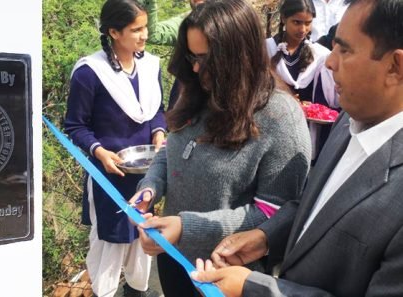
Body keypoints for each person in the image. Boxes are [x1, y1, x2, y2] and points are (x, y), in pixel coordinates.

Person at [192, 1, 403, 296]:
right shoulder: (348, 122)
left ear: (395, 66)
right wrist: (266, 237)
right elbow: (317, 205)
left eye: (344, 50)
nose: (329, 63)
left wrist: (253, 289)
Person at [128, 0, 312, 296]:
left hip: (228, 277)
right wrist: (150, 186)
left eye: (205, 58)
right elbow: (171, 149)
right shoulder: (198, 93)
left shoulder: (280, 118)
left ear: (240, 56)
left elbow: (275, 212)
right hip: (174, 259)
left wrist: (187, 227)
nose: (197, 67)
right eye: (191, 57)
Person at [64, 0, 166, 296]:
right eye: (136, 30)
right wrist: (98, 151)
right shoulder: (90, 72)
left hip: (146, 174)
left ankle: (138, 291)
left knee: (142, 240)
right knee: (108, 244)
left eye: (145, 27)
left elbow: (157, 110)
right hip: (108, 176)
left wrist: (159, 132)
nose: (144, 35)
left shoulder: (149, 67)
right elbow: (76, 126)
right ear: (114, 32)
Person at [267, 0, 339, 161]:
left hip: (305, 130)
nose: (303, 29)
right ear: (284, 19)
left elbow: (329, 96)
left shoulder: (320, 54)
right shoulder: (266, 49)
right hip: (271, 124)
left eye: (308, 23)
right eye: (297, 22)